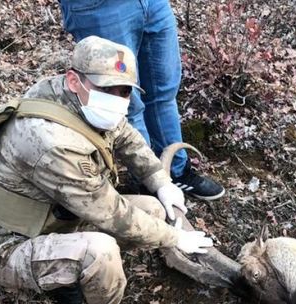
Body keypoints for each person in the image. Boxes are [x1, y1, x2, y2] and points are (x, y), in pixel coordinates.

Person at [0, 36, 215, 304]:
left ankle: (66, 275)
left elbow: (127, 137)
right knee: (99, 252)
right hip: (2, 243)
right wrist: (176, 237)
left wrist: (161, 182)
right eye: (109, 90)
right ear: (74, 79)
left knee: (152, 209)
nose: (118, 100)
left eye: (125, 91)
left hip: (48, 216)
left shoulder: (75, 99)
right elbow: (112, 214)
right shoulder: (51, 142)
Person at [58, 0, 225, 201]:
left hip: (153, 4)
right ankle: (150, 185)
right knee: (126, 102)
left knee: (163, 93)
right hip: (101, 8)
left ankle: (176, 171)